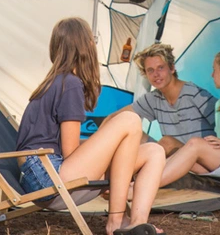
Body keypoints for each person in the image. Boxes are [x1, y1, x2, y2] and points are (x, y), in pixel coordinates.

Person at [16, 18, 166, 235]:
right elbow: (71, 152)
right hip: (47, 176)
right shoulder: (70, 84)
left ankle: (137, 225)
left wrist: (109, 153)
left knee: (155, 151)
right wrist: (107, 154)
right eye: (92, 40)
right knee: (130, 120)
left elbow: (71, 149)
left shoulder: (59, 81)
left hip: (45, 172)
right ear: (85, 45)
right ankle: (116, 221)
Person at [112, 43, 216, 156]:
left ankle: (138, 169)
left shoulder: (195, 93)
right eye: (150, 70)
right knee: (131, 130)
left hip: (201, 159)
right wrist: (98, 141)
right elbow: (116, 118)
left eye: (160, 68)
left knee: (167, 143)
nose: (156, 74)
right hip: (173, 159)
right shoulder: (153, 98)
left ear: (171, 68)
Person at [159, 49, 220, 186]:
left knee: (195, 144)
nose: (212, 74)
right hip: (218, 161)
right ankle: (137, 179)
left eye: (214, 70)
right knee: (173, 146)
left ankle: (144, 186)